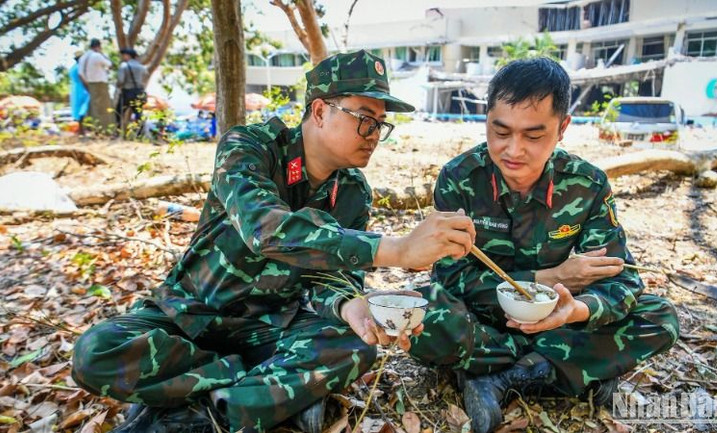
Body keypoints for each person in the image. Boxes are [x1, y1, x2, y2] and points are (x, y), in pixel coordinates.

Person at [71, 50, 476, 433]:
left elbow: (334, 279)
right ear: (320, 110)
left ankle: (200, 409)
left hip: (272, 326)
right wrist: (397, 249)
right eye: (365, 118)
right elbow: (266, 228)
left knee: (354, 347)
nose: (374, 134)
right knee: (95, 353)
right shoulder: (249, 147)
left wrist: (350, 305)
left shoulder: (353, 190)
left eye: (380, 124)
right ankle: (264, 394)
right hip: (190, 317)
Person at [407, 57, 679, 433]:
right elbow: (451, 279)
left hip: (559, 321)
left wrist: (575, 311)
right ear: (486, 118)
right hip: (484, 320)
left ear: (562, 127)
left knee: (659, 317)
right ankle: (575, 367)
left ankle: (500, 376)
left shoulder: (586, 185)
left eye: (533, 136)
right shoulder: (461, 178)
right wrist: (551, 277)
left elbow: (623, 282)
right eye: (500, 131)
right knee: (423, 315)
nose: (513, 150)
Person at [78, 38, 114, 132]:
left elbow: (80, 74)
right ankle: (105, 128)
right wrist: (102, 53)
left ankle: (95, 128)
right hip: (100, 83)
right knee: (104, 107)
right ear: (98, 46)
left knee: (94, 108)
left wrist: (87, 84)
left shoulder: (83, 57)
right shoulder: (97, 56)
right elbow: (110, 64)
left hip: (89, 83)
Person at [116, 47, 149, 136]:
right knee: (138, 113)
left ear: (127, 56)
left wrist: (118, 86)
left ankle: (118, 132)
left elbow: (120, 81)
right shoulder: (142, 67)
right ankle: (140, 133)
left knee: (119, 113)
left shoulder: (124, 66)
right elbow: (144, 79)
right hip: (139, 92)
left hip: (127, 92)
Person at [69, 51, 90, 135]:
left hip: (75, 89)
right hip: (82, 89)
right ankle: (81, 131)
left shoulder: (72, 67)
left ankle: (81, 130)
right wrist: (87, 88)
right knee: (82, 110)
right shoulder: (79, 67)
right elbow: (82, 78)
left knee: (77, 110)